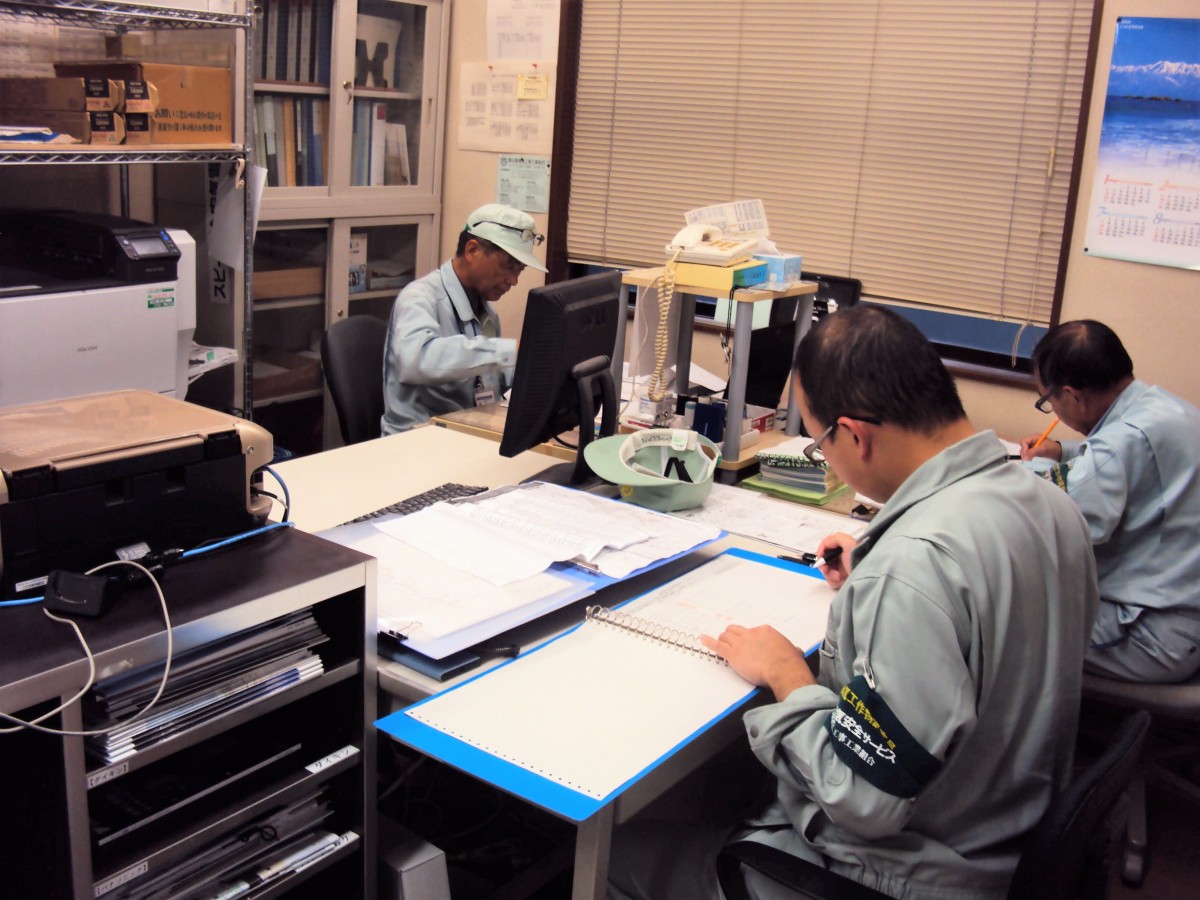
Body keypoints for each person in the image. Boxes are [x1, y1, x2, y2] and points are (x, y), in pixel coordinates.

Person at [608, 306, 1098, 900]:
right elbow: (989, 606)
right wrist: (880, 561)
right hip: (1005, 832)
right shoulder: (1051, 503)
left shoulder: (912, 570)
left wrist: (789, 677)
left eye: (820, 443)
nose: (826, 455)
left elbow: (865, 799)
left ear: (856, 434)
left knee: (605, 856)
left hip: (897, 873)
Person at [1019, 319, 1200, 683]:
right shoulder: (1168, 409)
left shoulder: (1121, 444)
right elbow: (1125, 459)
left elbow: (1057, 517)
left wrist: (1035, 466)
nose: (1054, 410)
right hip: (1183, 611)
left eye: (1049, 401)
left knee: (999, 627)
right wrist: (1062, 451)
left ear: (1073, 396)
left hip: (1151, 634)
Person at [381, 203, 547, 434]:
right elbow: (416, 361)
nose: (513, 281)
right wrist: (509, 351)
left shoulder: (487, 313)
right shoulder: (419, 298)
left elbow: (488, 377)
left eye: (519, 271)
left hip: (465, 432)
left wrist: (536, 367)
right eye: (508, 267)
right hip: (417, 438)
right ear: (472, 250)